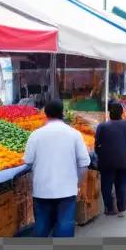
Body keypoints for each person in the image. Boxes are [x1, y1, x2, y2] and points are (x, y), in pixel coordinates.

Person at [23, 100, 92, 237]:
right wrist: (77, 183)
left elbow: (28, 161)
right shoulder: (74, 134)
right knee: (64, 226)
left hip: (42, 191)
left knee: (41, 227)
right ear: (62, 114)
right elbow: (84, 163)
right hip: (67, 190)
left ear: (45, 114)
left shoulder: (35, 135)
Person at [94, 101, 126, 218]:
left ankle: (110, 208)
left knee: (106, 186)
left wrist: (101, 153)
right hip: (123, 161)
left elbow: (97, 145)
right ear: (122, 113)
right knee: (121, 185)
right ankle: (121, 208)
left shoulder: (102, 126)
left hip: (106, 162)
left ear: (109, 113)